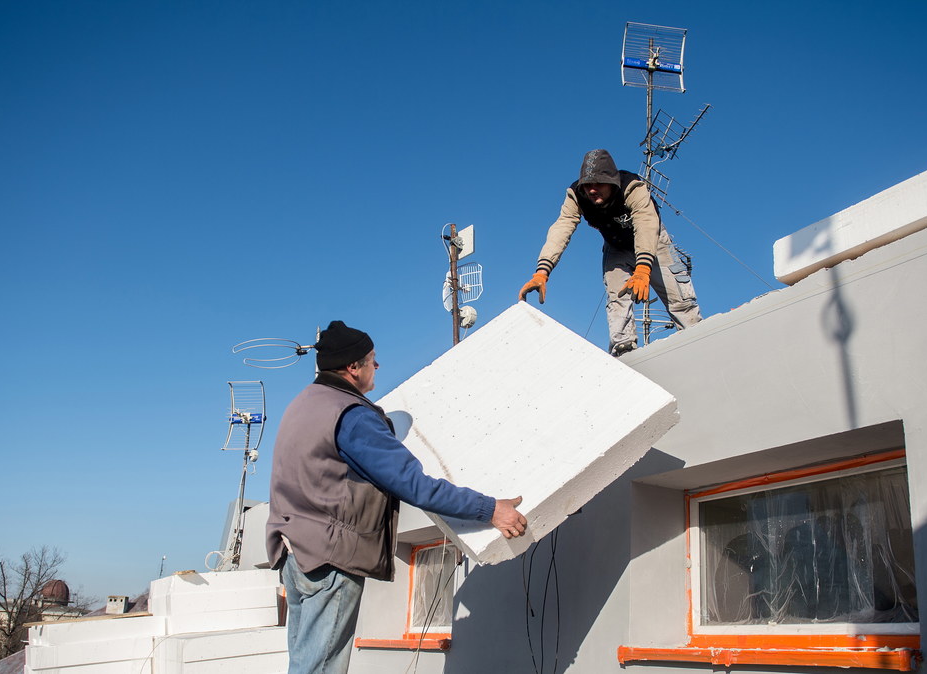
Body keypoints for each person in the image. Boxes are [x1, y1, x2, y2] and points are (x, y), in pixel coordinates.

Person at [266, 320, 527, 674]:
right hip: (329, 562)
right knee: (320, 669)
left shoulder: (303, 404)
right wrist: (490, 509)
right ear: (352, 368)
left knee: (305, 664)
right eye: (372, 359)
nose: (378, 366)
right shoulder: (352, 416)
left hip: (295, 555)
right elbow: (413, 484)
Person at [518, 148, 701, 355]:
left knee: (681, 302)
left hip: (653, 244)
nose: (592, 190)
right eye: (588, 185)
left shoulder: (632, 187)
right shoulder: (577, 195)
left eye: (598, 184)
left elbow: (646, 222)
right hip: (617, 247)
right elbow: (563, 226)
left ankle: (698, 340)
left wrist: (643, 269)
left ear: (612, 183)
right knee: (617, 298)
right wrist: (542, 271)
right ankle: (624, 351)